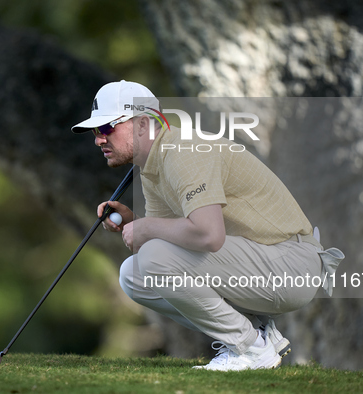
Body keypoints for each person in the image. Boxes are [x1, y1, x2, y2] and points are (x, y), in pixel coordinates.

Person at [71, 80, 343, 371]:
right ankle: (257, 333)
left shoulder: (184, 151)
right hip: (267, 264)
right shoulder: (153, 165)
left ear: (142, 124)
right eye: (96, 131)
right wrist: (135, 223)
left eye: (108, 128)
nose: (99, 139)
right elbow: (171, 242)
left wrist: (148, 228)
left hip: (291, 265)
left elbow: (208, 236)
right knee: (134, 274)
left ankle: (250, 349)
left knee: (151, 259)